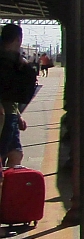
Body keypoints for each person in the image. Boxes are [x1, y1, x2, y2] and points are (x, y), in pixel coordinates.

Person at [0, 25, 35, 166]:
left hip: (10, 114)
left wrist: (18, 115)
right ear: (18, 39)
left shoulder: (12, 61)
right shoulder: (9, 62)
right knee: (5, 155)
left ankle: (9, 185)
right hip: (4, 117)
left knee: (16, 153)